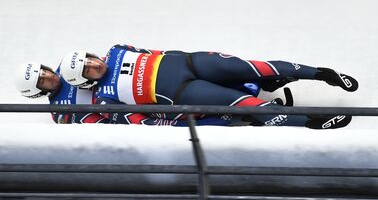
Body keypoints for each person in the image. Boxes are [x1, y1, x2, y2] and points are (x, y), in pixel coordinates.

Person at [59, 44, 358, 129]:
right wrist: (176, 120)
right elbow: (143, 119)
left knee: (252, 66)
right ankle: (311, 121)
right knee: (242, 104)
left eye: (88, 59)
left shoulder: (117, 49)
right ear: (86, 81)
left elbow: (154, 52)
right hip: (184, 93)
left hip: (192, 63)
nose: (93, 64)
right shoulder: (105, 100)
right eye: (87, 69)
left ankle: (322, 74)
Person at [14, 61, 248, 126]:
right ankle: (230, 117)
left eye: (43, 72)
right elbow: (94, 120)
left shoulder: (70, 68)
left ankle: (242, 88)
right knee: (176, 118)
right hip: (127, 111)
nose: (48, 76)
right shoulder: (60, 112)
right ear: (38, 92)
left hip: (137, 89)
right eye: (42, 81)